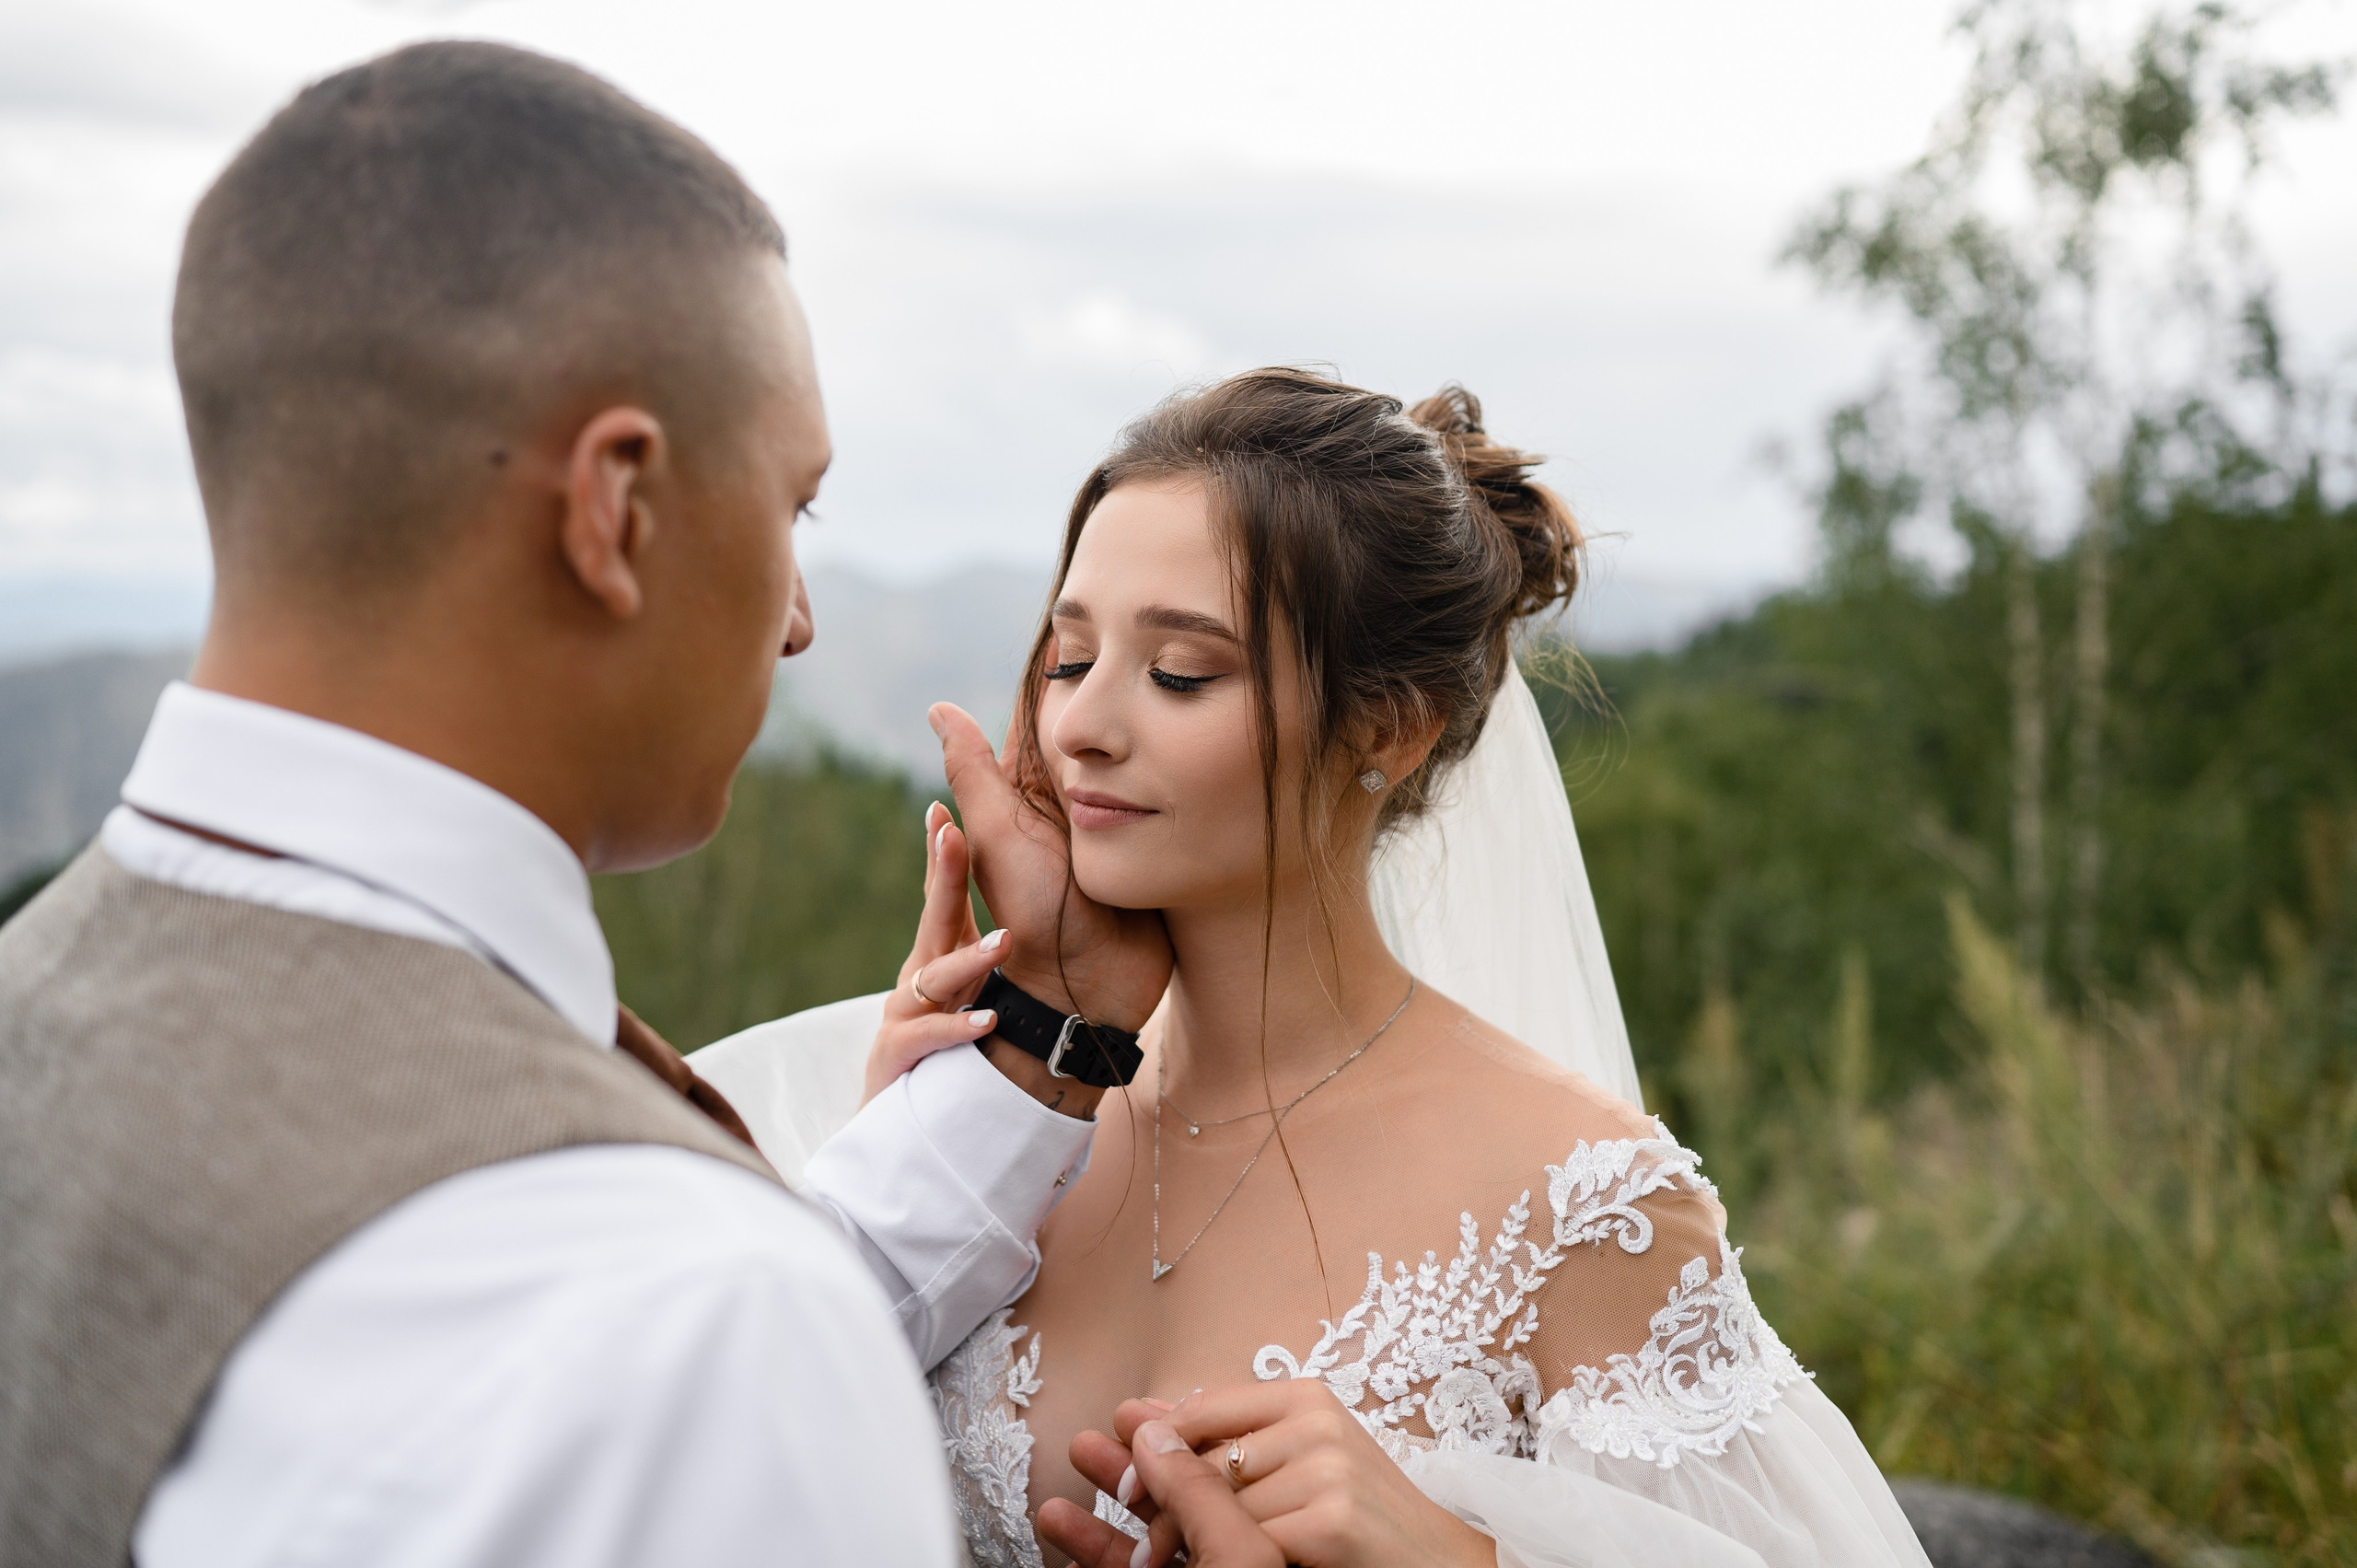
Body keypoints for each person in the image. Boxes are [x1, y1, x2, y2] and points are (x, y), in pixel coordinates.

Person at [0, 41, 1288, 1568]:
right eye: (791, 505)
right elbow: (683, 1344)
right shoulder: (689, 1329)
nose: (801, 617)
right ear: (615, 511)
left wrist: (1044, 1048)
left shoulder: (48, 1001)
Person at [698, 369, 1934, 1567]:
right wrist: (975, 1079)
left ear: (1388, 731)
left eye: (1180, 672)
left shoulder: (1582, 1212)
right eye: (1070, 660)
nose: (1081, 723)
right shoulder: (975, 1102)